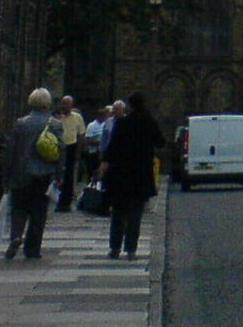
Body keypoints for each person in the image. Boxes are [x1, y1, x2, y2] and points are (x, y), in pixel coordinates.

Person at [100, 91, 165, 259]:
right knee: (135, 214)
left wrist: (104, 165)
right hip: (141, 174)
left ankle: (114, 248)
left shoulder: (122, 123)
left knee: (118, 212)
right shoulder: (149, 123)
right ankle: (131, 250)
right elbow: (161, 142)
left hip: (120, 173)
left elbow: (112, 148)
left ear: (130, 105)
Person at [3, 88, 64, 261]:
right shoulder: (55, 124)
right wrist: (60, 174)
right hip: (44, 174)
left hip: (20, 172)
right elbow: (61, 150)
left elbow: (10, 151)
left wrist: (6, 175)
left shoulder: (20, 123)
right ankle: (33, 248)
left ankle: (16, 235)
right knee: (39, 211)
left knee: (19, 208)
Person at [55, 95, 86, 212]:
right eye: (63, 103)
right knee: (57, 174)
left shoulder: (77, 117)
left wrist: (79, 151)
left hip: (71, 146)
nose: (65, 106)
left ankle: (65, 202)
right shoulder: (57, 118)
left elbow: (81, 134)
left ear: (72, 105)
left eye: (67, 104)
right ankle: (56, 198)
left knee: (69, 175)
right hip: (58, 147)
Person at [83, 104, 111, 185]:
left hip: (102, 153)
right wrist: (101, 141)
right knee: (92, 174)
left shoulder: (106, 125)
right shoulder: (91, 126)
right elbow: (89, 139)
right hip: (93, 153)